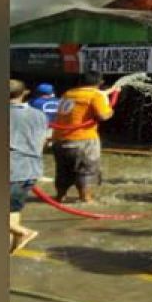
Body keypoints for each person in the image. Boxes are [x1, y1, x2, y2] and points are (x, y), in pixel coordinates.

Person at [51, 70, 115, 204]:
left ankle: (60, 197)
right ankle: (86, 198)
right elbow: (103, 116)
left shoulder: (68, 93)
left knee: (63, 170)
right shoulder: (95, 95)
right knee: (86, 170)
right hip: (83, 139)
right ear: (100, 82)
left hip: (59, 139)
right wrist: (111, 110)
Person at [10, 79, 50, 253]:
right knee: (12, 209)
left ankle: (23, 232)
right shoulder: (39, 114)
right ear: (24, 93)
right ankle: (12, 246)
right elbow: (43, 142)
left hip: (12, 169)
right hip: (32, 169)